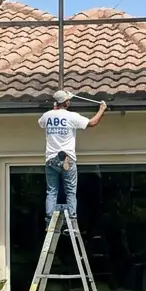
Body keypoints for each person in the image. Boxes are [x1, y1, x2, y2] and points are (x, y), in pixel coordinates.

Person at [38, 90, 106, 222]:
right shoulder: (71, 116)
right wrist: (102, 109)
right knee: (70, 191)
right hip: (67, 159)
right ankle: (72, 218)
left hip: (51, 159)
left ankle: (49, 219)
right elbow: (91, 123)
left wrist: (53, 111)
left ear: (56, 103)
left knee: (52, 191)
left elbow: (41, 123)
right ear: (67, 102)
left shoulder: (47, 116)